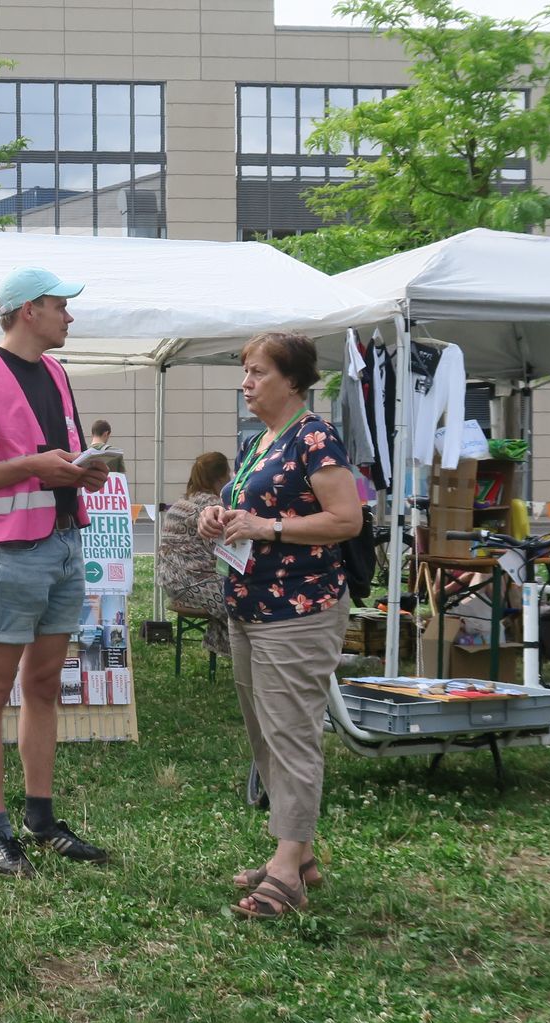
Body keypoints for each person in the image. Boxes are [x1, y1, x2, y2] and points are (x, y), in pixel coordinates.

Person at [0, 267, 111, 878]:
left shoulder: (58, 374)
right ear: (27, 309)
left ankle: (40, 818)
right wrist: (34, 467)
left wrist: (81, 471)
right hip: (8, 551)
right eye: (62, 306)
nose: (70, 316)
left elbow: (53, 460)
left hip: (64, 544)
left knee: (42, 688)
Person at [196, 330, 362, 920]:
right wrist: (222, 517)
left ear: (292, 380)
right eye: (245, 371)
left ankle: (286, 873)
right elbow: (253, 508)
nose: (246, 382)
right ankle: (299, 853)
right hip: (250, 604)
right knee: (266, 731)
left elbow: (348, 519)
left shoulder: (316, 436)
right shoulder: (256, 442)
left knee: (291, 732)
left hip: (299, 609)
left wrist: (268, 529)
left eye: (258, 372)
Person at [158, 451, 233, 653]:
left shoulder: (182, 504)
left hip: (171, 581)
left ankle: (225, 647)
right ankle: (241, 653)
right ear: (221, 477)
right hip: (195, 584)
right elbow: (225, 554)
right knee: (243, 600)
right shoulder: (213, 508)